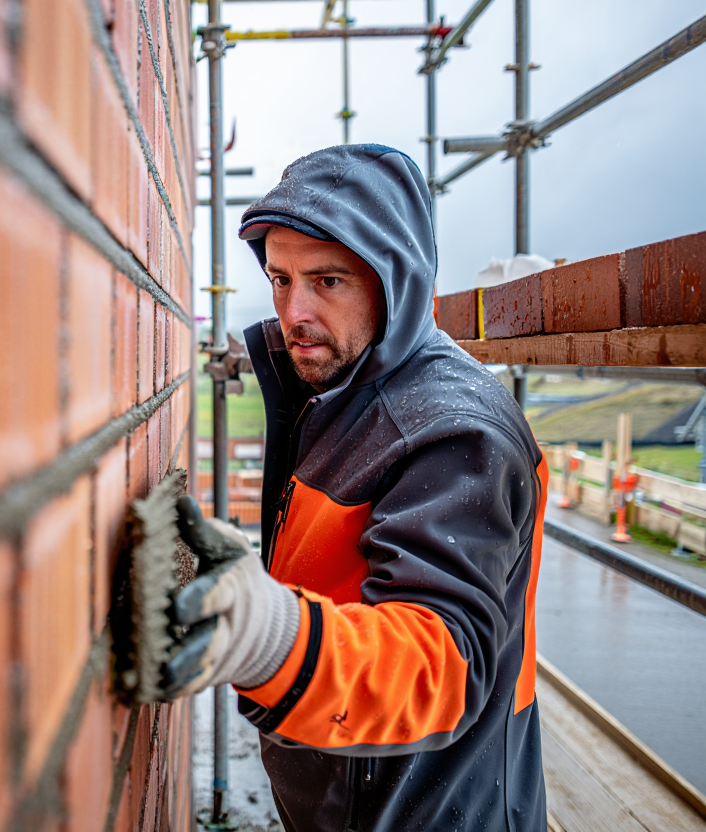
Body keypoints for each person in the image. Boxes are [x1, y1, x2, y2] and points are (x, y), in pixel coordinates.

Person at [165, 144, 549, 830]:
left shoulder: (455, 434)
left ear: (392, 281)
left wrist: (262, 634)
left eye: (328, 280)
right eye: (281, 279)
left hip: (427, 810)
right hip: (350, 782)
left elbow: (442, 664)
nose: (294, 312)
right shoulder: (342, 388)